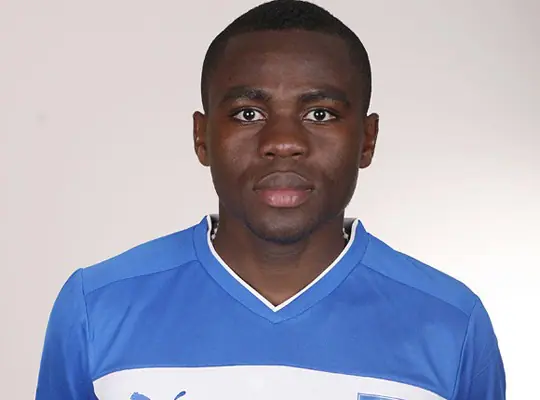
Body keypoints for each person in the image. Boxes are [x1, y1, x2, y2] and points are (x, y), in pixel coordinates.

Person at [36, 1, 505, 399]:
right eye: (248, 113)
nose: (283, 142)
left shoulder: (451, 324)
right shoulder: (97, 307)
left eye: (320, 114)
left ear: (367, 139)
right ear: (202, 137)